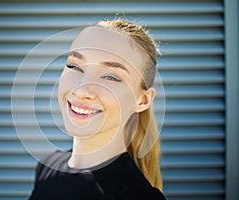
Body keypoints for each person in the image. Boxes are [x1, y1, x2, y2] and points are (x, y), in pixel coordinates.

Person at [29, 19, 166, 200]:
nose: (82, 90)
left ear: (143, 100)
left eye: (110, 77)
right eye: (75, 66)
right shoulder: (49, 166)